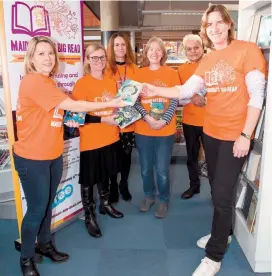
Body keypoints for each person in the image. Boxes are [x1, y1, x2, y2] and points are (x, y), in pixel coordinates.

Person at [141, 5, 266, 275]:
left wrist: (246, 135)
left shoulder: (248, 50)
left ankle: (214, 255)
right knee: (218, 191)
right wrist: (154, 88)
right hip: (211, 133)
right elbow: (185, 90)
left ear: (229, 24)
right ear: (205, 29)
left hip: (236, 136)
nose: (215, 28)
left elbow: (257, 97)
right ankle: (225, 232)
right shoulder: (207, 60)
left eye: (220, 22)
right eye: (210, 24)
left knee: (221, 193)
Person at [13, 36, 126, 276]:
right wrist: (112, 103)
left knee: (46, 206)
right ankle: (26, 258)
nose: (47, 58)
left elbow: (67, 117)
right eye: (41, 54)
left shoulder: (49, 83)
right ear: (31, 58)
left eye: (50, 53)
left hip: (52, 155)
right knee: (36, 209)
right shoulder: (34, 82)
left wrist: (103, 118)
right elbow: (75, 107)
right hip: (33, 159)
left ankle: (44, 245)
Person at [72, 43, 124, 239]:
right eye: (94, 57)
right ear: (87, 60)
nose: (99, 61)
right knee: (88, 180)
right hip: (91, 140)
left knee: (107, 174)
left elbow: (115, 109)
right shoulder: (82, 84)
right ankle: (89, 216)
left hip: (111, 137)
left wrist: (120, 115)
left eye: (102, 57)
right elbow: (77, 117)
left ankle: (105, 204)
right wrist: (103, 119)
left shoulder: (111, 82)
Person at [134, 37, 179, 219]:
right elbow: (134, 101)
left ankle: (163, 199)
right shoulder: (138, 74)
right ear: (146, 53)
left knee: (162, 169)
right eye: (151, 49)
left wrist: (164, 121)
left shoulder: (171, 73)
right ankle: (148, 196)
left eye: (158, 50)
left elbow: (175, 99)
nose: (154, 53)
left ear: (163, 53)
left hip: (165, 130)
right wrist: (147, 118)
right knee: (145, 168)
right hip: (143, 129)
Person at [105, 32, 139, 203]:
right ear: (111, 48)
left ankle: (123, 184)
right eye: (116, 45)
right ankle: (112, 186)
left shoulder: (134, 68)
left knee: (126, 156)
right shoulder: (106, 68)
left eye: (123, 45)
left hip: (128, 119)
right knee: (112, 156)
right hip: (111, 119)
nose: (120, 48)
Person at [177, 34, 206, 199]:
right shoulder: (181, 70)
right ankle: (194, 186)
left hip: (211, 121)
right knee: (192, 156)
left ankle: (216, 191)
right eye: (189, 49)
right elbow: (178, 96)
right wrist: (192, 97)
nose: (193, 51)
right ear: (184, 51)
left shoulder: (212, 65)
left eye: (196, 47)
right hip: (190, 121)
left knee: (214, 159)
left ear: (203, 48)